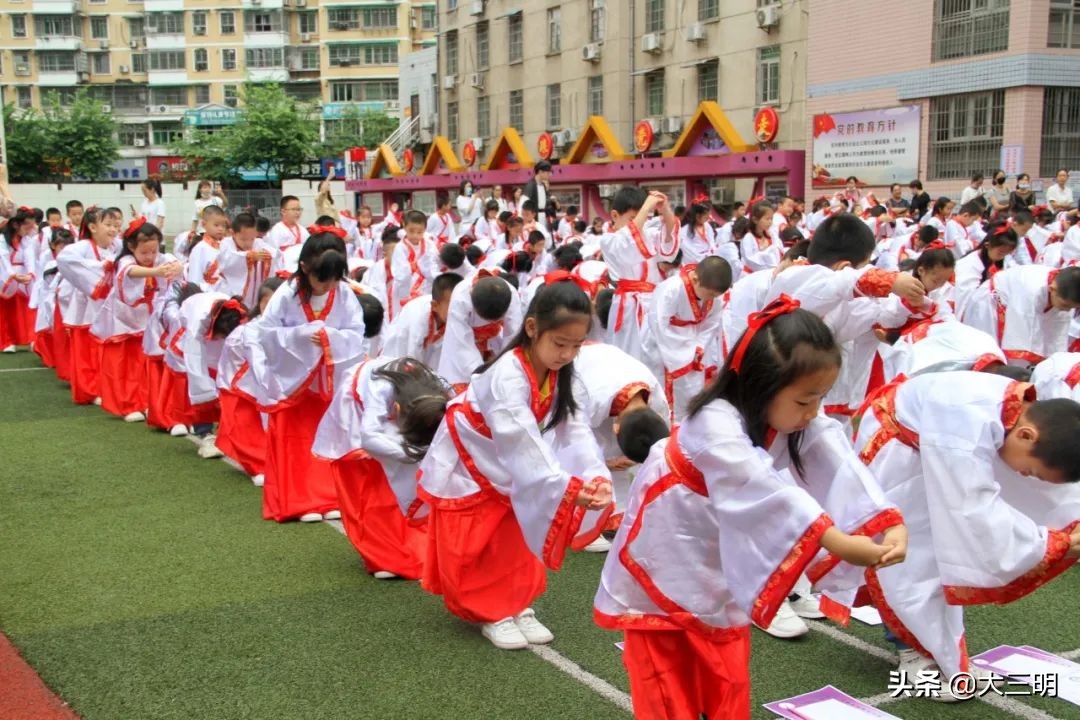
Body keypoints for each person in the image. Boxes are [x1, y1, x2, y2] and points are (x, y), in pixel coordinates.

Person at [594, 302, 906, 720]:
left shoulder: (790, 418)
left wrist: (886, 520)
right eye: (805, 400)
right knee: (664, 676)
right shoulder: (714, 424)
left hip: (713, 551)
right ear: (762, 386)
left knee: (727, 675)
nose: (813, 411)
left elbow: (834, 455)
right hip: (667, 543)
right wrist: (836, 541)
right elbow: (761, 486)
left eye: (819, 398)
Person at [853, 372, 1080, 698]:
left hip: (929, 441)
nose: (1024, 475)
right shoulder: (965, 428)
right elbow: (973, 511)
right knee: (915, 557)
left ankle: (940, 652)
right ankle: (913, 651)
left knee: (942, 543)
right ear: (1027, 435)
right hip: (900, 454)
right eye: (1030, 470)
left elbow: (1036, 492)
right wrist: (1053, 544)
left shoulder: (1017, 416)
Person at [417, 279, 614, 650]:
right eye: (560, 344)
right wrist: (570, 489)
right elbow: (521, 440)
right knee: (481, 534)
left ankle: (517, 602)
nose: (567, 354)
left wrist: (595, 475)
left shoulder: (562, 373)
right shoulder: (508, 375)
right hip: (474, 454)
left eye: (575, 345)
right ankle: (489, 609)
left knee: (520, 527)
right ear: (532, 328)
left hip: (510, 454)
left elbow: (575, 428)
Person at [255, 229, 366, 523]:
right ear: (305, 268)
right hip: (294, 383)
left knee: (328, 437)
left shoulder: (343, 293)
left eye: (333, 279)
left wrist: (332, 338)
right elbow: (264, 332)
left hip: (328, 381)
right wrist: (299, 335)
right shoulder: (287, 293)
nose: (327, 286)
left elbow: (357, 334)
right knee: (296, 440)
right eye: (321, 279)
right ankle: (300, 501)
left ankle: (329, 497)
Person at [314, 355, 450, 580]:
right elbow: (368, 438)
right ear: (396, 410)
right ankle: (381, 554)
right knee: (368, 483)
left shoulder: (437, 385)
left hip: (392, 419)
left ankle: (411, 545)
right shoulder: (380, 390)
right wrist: (411, 455)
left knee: (399, 479)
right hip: (355, 413)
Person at [92, 218, 182, 422]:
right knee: (123, 364)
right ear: (131, 246)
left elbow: (176, 264)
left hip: (147, 318)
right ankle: (127, 404)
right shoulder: (125, 261)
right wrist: (155, 272)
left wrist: (177, 267)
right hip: (123, 318)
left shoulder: (161, 258)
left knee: (146, 363)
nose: (150, 256)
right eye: (144, 253)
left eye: (153, 251)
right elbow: (129, 272)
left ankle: (148, 401)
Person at [214, 276, 283, 486]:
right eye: (265, 302)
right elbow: (253, 362)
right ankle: (258, 465)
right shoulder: (248, 330)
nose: (270, 308)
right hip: (241, 382)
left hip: (268, 383)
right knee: (245, 425)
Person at [645, 257, 732, 421]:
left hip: (692, 340)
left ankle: (686, 421)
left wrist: (699, 347)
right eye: (710, 294)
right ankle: (663, 422)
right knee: (661, 387)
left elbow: (712, 323)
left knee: (691, 387)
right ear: (695, 279)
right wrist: (680, 352)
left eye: (715, 295)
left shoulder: (715, 296)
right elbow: (658, 324)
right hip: (664, 342)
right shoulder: (671, 289)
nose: (711, 299)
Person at [600, 187, 680, 358]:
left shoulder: (648, 235)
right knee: (628, 352)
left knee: (655, 355)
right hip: (629, 304)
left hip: (653, 302)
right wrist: (645, 208)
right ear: (615, 216)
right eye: (632, 219)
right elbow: (626, 247)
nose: (640, 223)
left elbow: (668, 242)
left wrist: (664, 209)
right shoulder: (609, 240)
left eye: (643, 217)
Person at [57, 207, 123, 405]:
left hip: (110, 303)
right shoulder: (82, 247)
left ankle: (107, 386)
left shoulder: (117, 246)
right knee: (87, 349)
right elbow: (64, 259)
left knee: (108, 347)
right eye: (108, 225)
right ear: (93, 227)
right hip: (88, 304)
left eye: (116, 225)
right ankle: (90, 389)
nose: (113, 230)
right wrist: (100, 268)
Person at [961, 265, 1080, 366]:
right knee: (988, 350)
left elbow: (1058, 335)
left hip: (1018, 304)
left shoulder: (1065, 292)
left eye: (1072, 307)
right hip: (991, 305)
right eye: (1065, 305)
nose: (1067, 310)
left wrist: (1055, 363)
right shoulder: (1031, 290)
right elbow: (1022, 338)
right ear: (1052, 289)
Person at [436, 270, 521, 389]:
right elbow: (461, 343)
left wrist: (503, 368)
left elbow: (513, 336)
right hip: (467, 340)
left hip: (494, 337)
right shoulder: (461, 297)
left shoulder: (511, 294)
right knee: (464, 382)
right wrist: (480, 374)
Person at [382, 273, 463, 370]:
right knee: (400, 368)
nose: (458, 310)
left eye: (460, 304)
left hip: (429, 348)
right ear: (435, 306)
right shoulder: (420, 318)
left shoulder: (452, 315)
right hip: (404, 342)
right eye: (452, 306)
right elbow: (413, 355)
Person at [213, 212, 279, 310]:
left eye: (252, 239)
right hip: (229, 289)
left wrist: (268, 255)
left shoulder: (258, 243)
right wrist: (249, 256)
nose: (248, 244)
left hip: (254, 289)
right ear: (233, 233)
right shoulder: (225, 244)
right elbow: (228, 260)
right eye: (243, 239)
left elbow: (275, 253)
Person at [952, 220, 1018, 316]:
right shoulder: (969, 265)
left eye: (1007, 253)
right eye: (1001, 252)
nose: (1003, 255)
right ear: (987, 245)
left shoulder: (1001, 260)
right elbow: (965, 300)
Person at [0, 207, 40, 352]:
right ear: (16, 224)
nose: (31, 229)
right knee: (4, 310)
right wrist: (12, 275)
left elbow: (30, 257)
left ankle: (31, 338)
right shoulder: (2, 239)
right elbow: (3, 258)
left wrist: (30, 273)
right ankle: (6, 341)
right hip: (5, 275)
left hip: (22, 274)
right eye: (27, 225)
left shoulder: (26, 240)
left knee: (26, 308)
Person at [392, 210, 441, 312]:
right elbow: (399, 274)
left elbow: (435, 264)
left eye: (419, 232)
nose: (415, 235)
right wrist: (414, 266)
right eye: (411, 231)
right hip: (407, 288)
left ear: (425, 230)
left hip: (426, 286)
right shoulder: (400, 248)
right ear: (404, 226)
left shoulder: (429, 244)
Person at [185, 205, 230, 290]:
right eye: (216, 225)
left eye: (223, 226)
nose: (220, 229)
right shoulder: (200, 249)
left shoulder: (226, 246)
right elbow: (195, 280)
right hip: (209, 295)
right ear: (203, 224)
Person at [739, 200, 783, 273]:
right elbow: (750, 260)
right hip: (753, 275)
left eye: (771, 219)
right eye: (767, 219)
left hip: (771, 272)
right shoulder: (749, 238)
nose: (770, 222)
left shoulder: (772, 235)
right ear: (755, 220)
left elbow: (779, 251)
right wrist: (768, 252)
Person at [522, 161, 552, 228]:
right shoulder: (530, 186)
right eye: (548, 172)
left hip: (543, 217)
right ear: (540, 172)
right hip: (533, 218)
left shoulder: (543, 186)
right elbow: (522, 205)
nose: (549, 174)